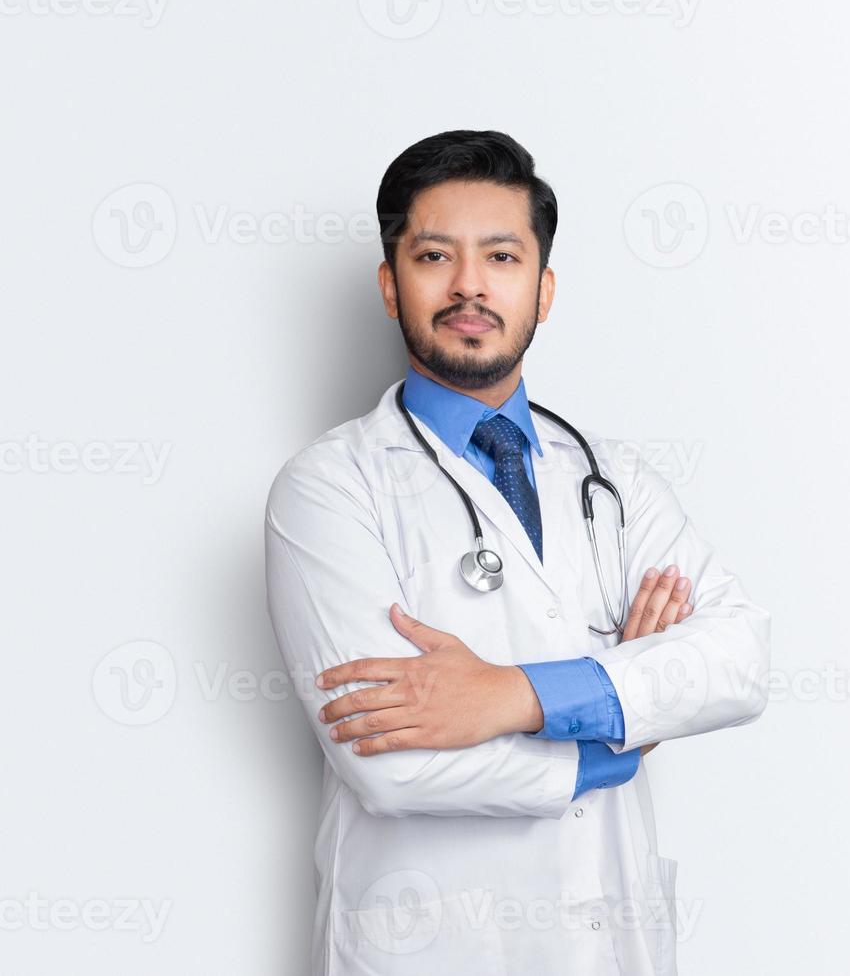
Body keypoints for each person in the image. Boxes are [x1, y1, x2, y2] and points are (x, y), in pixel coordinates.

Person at [263, 129, 771, 975]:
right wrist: (624, 729)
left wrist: (512, 696)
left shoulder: (616, 479)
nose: (470, 285)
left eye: (502, 256)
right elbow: (387, 765)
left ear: (544, 288)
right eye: (435, 256)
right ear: (391, 287)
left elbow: (740, 658)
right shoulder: (327, 489)